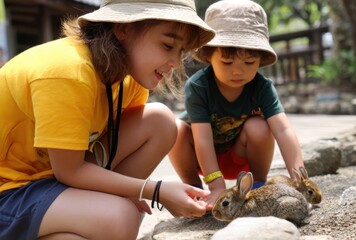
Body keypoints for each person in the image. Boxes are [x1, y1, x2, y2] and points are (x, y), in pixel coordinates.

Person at [0, 0, 215, 239]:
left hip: (49, 179)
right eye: (167, 45)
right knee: (119, 217)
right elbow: (69, 172)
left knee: (161, 121)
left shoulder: (128, 78)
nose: (175, 62)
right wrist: (154, 190)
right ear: (123, 28)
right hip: (9, 189)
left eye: (181, 51)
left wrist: (134, 192)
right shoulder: (68, 72)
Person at [168, 0, 305, 209]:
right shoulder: (198, 86)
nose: (237, 71)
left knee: (259, 126)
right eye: (227, 62)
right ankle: (196, 191)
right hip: (203, 158)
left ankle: (259, 184)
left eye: (249, 63)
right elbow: (202, 139)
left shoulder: (261, 87)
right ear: (209, 55)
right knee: (175, 130)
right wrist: (216, 185)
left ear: (260, 59)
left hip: (239, 157)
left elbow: (283, 130)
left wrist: (300, 180)